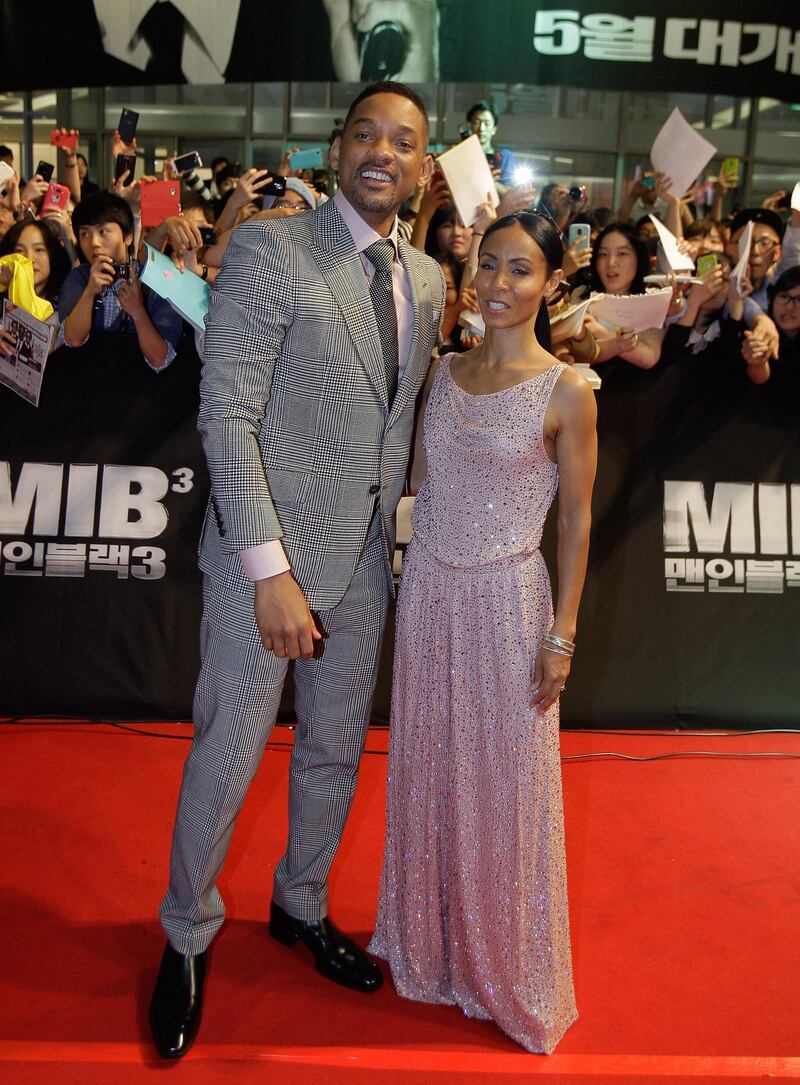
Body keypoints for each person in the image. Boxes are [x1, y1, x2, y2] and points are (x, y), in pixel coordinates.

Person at [149, 80, 445, 1060]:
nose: (381, 152)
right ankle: (186, 935)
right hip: (259, 563)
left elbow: (398, 424)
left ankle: (299, 902)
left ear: (421, 165)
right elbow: (225, 415)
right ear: (334, 148)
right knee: (226, 756)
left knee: (330, 751)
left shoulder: (430, 280)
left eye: (402, 141)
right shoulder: (274, 251)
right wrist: (268, 568)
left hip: (363, 560)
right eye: (364, 132)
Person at [370, 211, 596, 1053]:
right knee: (430, 767)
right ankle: (432, 942)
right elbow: (416, 481)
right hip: (430, 591)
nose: (499, 285)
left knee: (506, 787)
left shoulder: (568, 390)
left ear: (551, 285)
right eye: (489, 266)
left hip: (509, 605)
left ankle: (508, 962)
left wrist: (563, 632)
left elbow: (575, 523)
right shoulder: (440, 372)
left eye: (521, 270)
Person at [58, 191, 182, 371]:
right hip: (89, 388)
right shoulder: (79, 278)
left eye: (103, 231)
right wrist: (90, 292)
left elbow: (160, 359)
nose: (94, 242)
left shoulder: (153, 280)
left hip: (142, 392)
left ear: (128, 236)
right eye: (84, 234)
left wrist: (137, 311)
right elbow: (73, 339)